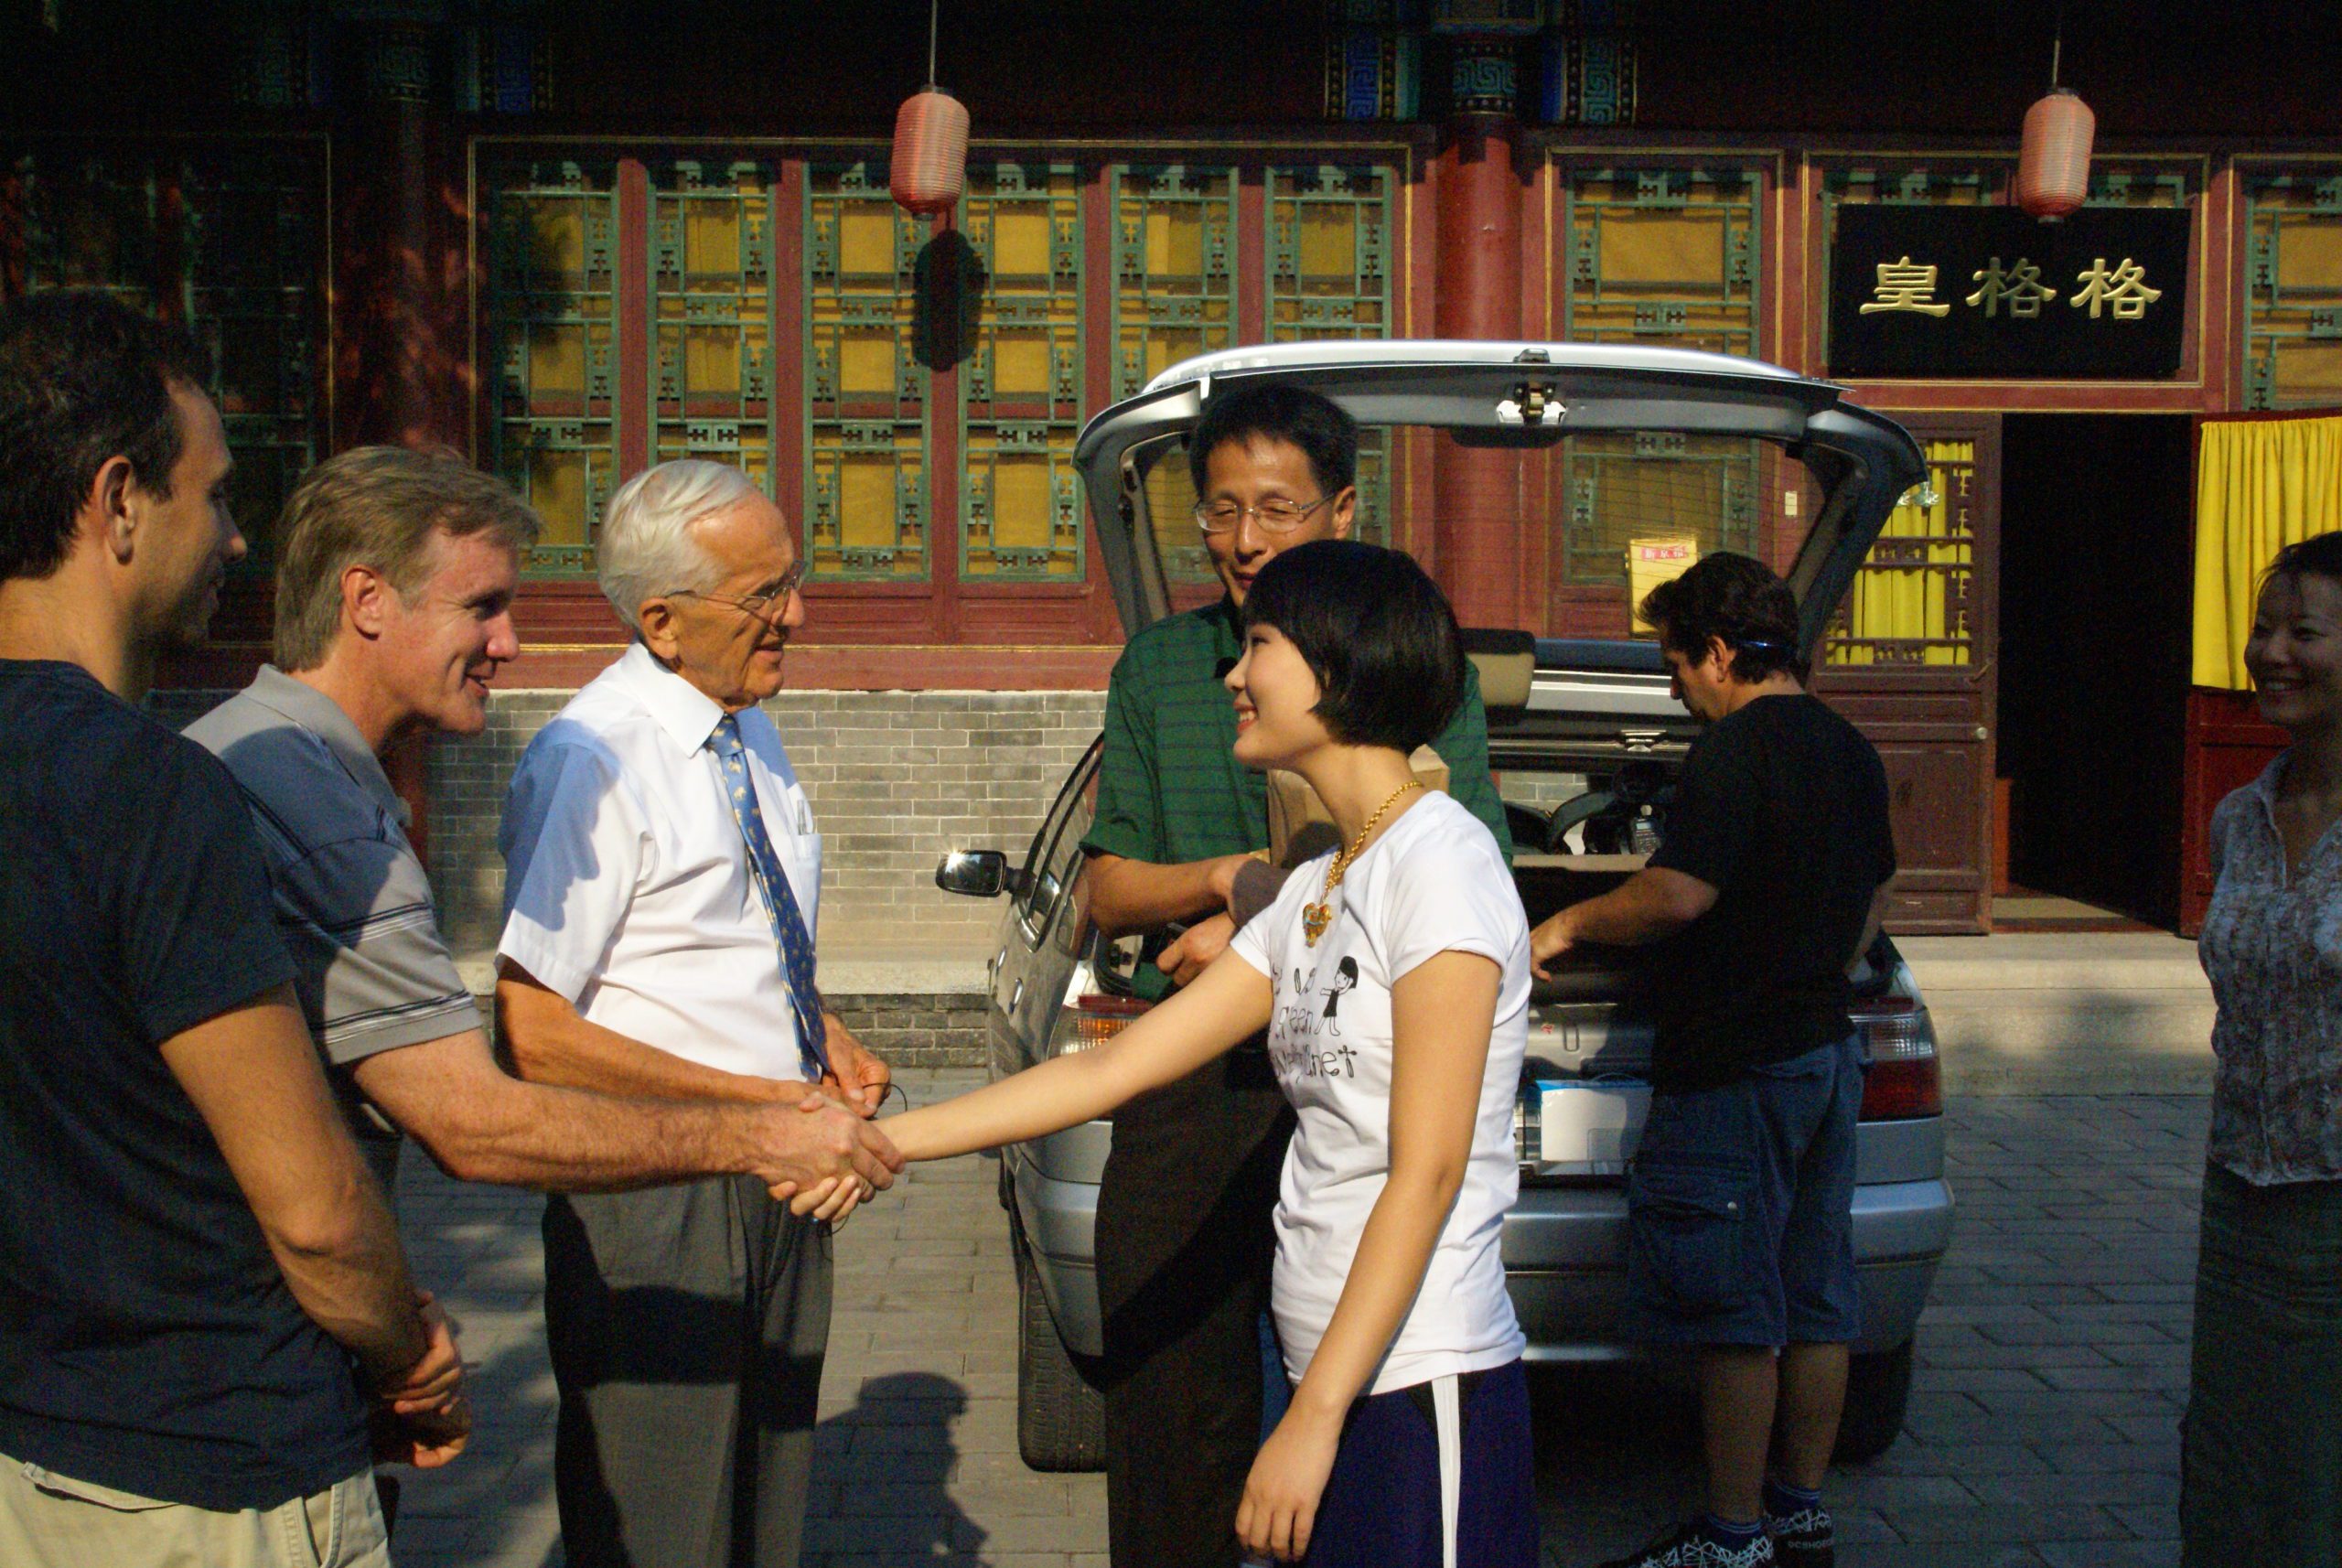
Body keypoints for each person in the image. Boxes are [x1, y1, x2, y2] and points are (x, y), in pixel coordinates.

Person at [880, 539, 1539, 1568]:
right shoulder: (1322, 884)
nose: (1234, 674)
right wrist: (878, 1142)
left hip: (1417, 1374)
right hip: (1319, 1350)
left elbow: (1430, 1168)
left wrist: (1314, 1420)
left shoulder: (1441, 866)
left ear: (1338, 663)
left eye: (1260, 646)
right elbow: (1111, 1069)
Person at [0, 290, 461, 1565]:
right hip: (210, 1469)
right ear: (118, 500)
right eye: (213, 494)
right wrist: (406, 1350)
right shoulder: (151, 789)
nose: (237, 540)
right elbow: (313, 1206)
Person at [187, 446, 897, 1207]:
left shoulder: (266, 764)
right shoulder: (321, 815)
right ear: (366, 600)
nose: (510, 644)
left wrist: (810, 1036)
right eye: (481, 607)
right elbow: (472, 1115)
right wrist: (759, 1127)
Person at [1079, 383, 1512, 1568]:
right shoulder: (1169, 665)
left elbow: (1437, 845)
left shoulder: (1417, 664)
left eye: (1276, 507)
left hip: (1356, 1069)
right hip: (1201, 1075)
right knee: (1170, 1395)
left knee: (1347, 1409)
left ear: (1342, 510)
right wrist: (1228, 884)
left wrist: (1284, 920)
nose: (1244, 539)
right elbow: (1107, 887)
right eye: (1221, 510)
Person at [492, 458, 899, 1568]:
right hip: (657, 1191)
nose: (795, 616)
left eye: (792, 583)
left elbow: (727, 935)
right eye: (763, 596)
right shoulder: (594, 756)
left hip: (778, 1172)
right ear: (663, 622)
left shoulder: (742, 722)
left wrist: (823, 1037)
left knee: (765, 1506)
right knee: (664, 1515)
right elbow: (529, 1028)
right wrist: (760, 1098)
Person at [1529, 553, 1893, 1568]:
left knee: (1737, 1310)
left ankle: (1731, 1538)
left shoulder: (1733, 753)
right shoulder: (1848, 746)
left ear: (1720, 652)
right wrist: (1819, 959)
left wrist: (1560, 927)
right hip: (1824, 1054)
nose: (1674, 689)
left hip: (1735, 1063)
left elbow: (1675, 895)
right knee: (1815, 1295)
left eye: (1674, 665)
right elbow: (1873, 902)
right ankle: (1798, 1511)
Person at [2183, 531, 2342, 1565]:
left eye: (2306, 630)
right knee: (2235, 1468)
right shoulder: (2238, 819)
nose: (2270, 651)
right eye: (2262, 626)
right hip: (2239, 1196)